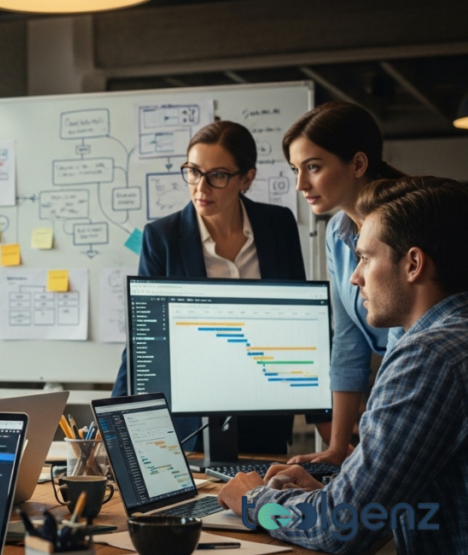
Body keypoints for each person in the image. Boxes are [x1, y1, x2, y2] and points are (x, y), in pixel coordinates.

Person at [218, 176, 468, 554]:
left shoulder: (428, 358)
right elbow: (421, 510)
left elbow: (339, 530)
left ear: (413, 263)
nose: (354, 277)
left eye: (366, 258)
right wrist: (333, 494)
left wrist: (254, 502)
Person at [112, 121, 304, 455]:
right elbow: (145, 339)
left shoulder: (278, 225)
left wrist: (325, 418)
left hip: (264, 412)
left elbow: (299, 320)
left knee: (261, 504)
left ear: (246, 178)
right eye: (193, 171)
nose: (201, 187)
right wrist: (114, 420)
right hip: (191, 424)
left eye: (217, 175)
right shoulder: (163, 237)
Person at [283, 101, 406, 466]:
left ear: (357, 164)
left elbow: (405, 347)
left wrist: (369, 456)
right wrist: (337, 450)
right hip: (391, 387)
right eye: (295, 170)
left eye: (314, 167)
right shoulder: (337, 232)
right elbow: (349, 341)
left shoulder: (402, 224)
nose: (301, 184)